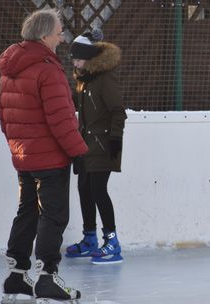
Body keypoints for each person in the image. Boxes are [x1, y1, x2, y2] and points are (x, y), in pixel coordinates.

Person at [0, 8, 87, 303]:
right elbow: (61, 119)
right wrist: (79, 153)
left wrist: (18, 145)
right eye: (60, 32)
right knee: (54, 214)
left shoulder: (12, 66)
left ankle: (17, 274)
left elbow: (4, 116)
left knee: (27, 211)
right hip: (50, 158)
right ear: (46, 34)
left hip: (24, 155)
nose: (62, 38)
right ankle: (47, 277)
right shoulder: (47, 69)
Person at [64, 29, 126, 264]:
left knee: (99, 190)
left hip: (104, 144)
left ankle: (112, 242)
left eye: (79, 59)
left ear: (90, 58)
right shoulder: (83, 80)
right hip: (86, 145)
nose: (76, 63)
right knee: (84, 189)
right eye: (74, 59)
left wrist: (115, 141)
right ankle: (89, 238)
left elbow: (118, 111)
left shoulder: (104, 79)